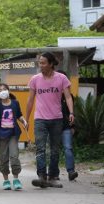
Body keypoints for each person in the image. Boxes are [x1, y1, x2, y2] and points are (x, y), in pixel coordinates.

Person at [26, 52, 74, 188]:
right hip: (40, 119)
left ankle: (53, 177)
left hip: (57, 119)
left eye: (43, 62)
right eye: (39, 62)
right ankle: (42, 177)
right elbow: (30, 100)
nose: (40, 65)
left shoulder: (62, 78)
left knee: (54, 150)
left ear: (51, 64)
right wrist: (27, 119)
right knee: (40, 148)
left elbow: (68, 97)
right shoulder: (35, 79)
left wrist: (71, 112)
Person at [0, 83, 27, 190]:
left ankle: (16, 179)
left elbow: (19, 115)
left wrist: (24, 121)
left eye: (4, 89)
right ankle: (6, 180)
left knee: (14, 156)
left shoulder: (15, 103)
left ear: (8, 90)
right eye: (0, 90)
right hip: (1, 135)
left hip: (13, 134)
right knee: (3, 158)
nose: (3, 91)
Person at [57, 70, 78, 181]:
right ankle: (54, 173)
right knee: (54, 149)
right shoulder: (51, 95)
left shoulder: (69, 97)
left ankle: (71, 171)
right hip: (53, 126)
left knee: (68, 148)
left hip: (66, 127)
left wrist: (73, 126)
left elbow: (72, 113)